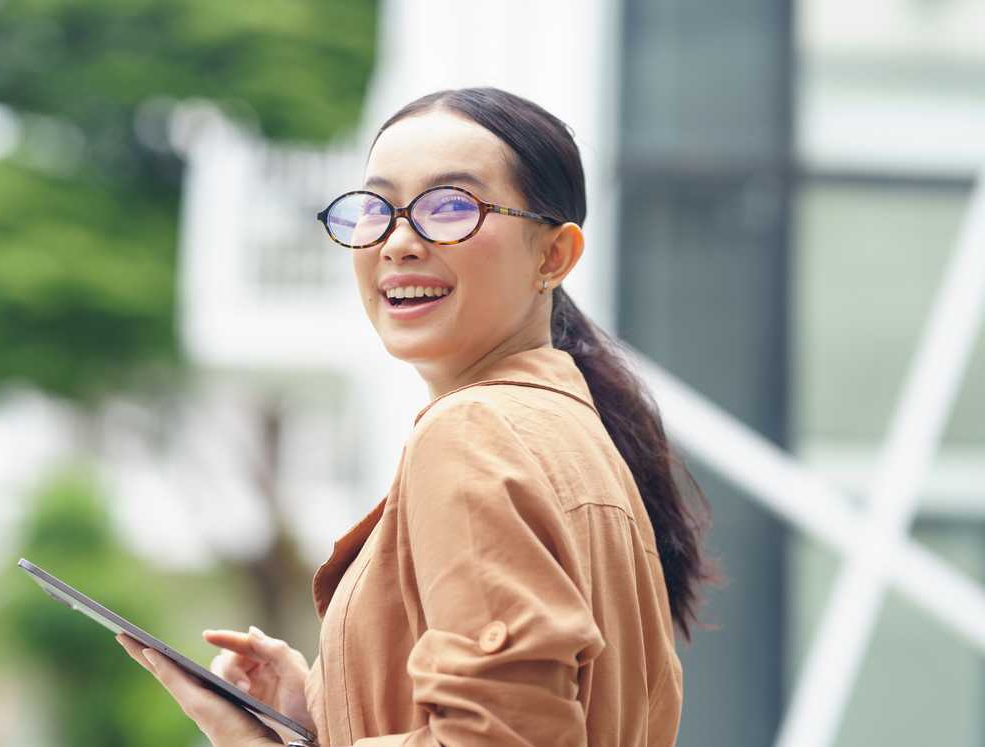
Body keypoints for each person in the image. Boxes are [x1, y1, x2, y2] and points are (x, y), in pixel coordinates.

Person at [117, 86, 716, 746]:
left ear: (553, 256)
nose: (399, 242)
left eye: (451, 206)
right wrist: (323, 710)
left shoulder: (471, 433)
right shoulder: (585, 438)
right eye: (375, 208)